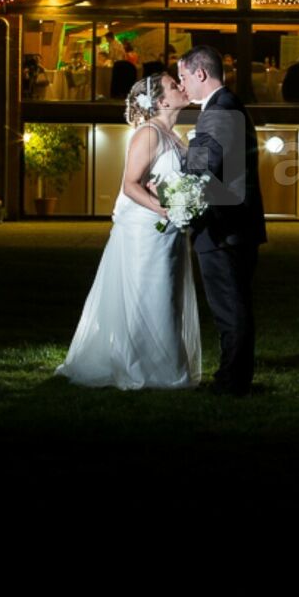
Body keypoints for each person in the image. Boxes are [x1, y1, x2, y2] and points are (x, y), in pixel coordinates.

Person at [54, 73, 201, 390]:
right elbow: (129, 185)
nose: (181, 87)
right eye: (174, 85)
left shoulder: (176, 136)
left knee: (168, 297)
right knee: (151, 295)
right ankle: (144, 369)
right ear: (161, 101)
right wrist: (166, 209)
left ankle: (166, 366)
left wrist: (188, 200)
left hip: (171, 231)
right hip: (146, 231)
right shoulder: (148, 134)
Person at [176, 44, 267, 396]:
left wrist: (181, 164)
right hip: (236, 228)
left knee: (230, 309)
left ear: (201, 73)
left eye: (184, 77)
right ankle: (234, 375)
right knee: (236, 305)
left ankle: (232, 381)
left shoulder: (219, 111)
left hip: (224, 229)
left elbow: (203, 166)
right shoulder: (226, 105)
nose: (183, 85)